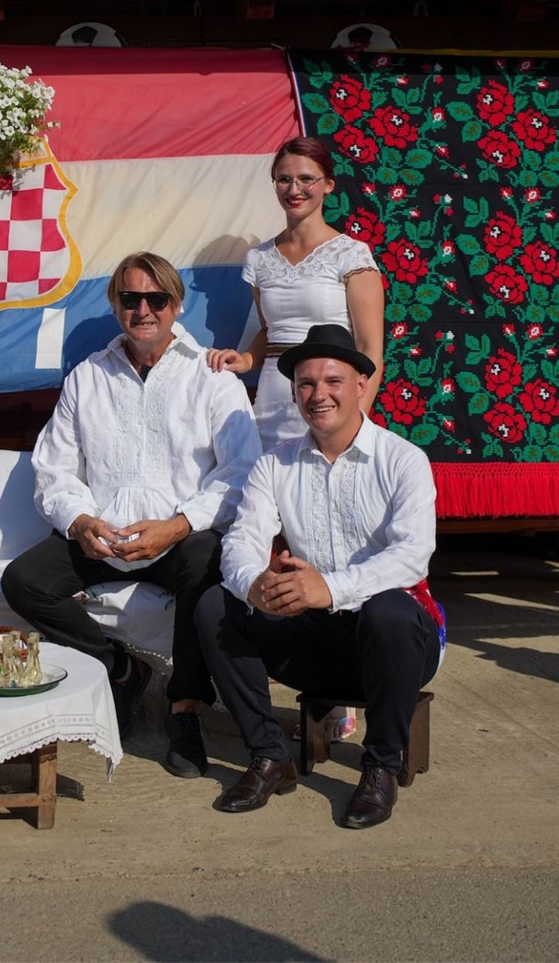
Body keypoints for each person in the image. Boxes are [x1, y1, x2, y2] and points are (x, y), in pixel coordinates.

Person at [2, 253, 261, 779]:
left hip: (176, 536)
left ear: (176, 304)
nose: (143, 309)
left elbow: (242, 472)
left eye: (156, 299)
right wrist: (81, 522)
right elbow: (53, 469)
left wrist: (178, 525)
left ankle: (184, 707)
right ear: (115, 304)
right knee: (22, 581)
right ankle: (122, 667)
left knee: (206, 561)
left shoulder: (210, 375)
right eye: (130, 299)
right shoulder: (88, 377)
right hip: (106, 536)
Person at [198, 324, 444, 829]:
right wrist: (257, 587)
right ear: (293, 393)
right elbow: (241, 543)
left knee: (390, 609)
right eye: (306, 384)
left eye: (332, 380)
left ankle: (380, 768)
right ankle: (269, 757)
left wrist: (328, 587)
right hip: (314, 645)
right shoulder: (274, 464)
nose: (319, 394)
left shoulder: (403, 461)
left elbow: (412, 556)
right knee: (214, 606)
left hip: (394, 648)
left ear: (360, 385)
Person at [205, 134, 388, 743]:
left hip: (332, 400)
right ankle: (263, 661)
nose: (295, 189)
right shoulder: (260, 259)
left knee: (331, 529)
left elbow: (370, 352)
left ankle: (341, 689)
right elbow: (265, 335)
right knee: (269, 531)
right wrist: (242, 358)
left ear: (328, 185)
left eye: (307, 178)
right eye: (285, 178)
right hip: (273, 404)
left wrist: (348, 416)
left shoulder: (352, 255)